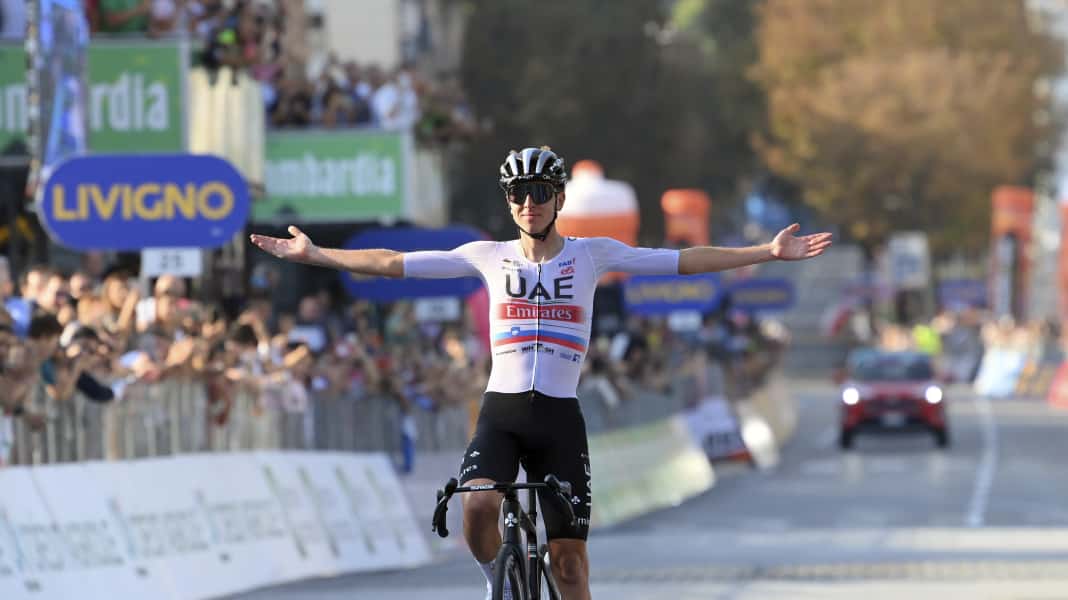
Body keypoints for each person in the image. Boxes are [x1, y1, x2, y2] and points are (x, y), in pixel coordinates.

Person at [250, 146, 833, 600]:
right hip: (500, 413)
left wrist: (765, 252)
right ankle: (495, 582)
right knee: (477, 507)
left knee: (570, 566)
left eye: (539, 192)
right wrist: (317, 255)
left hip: (558, 419)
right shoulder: (487, 255)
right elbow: (391, 263)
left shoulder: (592, 254)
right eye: (518, 193)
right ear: (509, 203)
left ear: (558, 198)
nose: (528, 203)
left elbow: (682, 261)